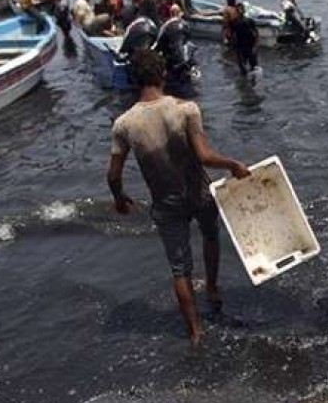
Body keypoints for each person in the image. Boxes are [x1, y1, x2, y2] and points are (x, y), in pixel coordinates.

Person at [107, 48, 251, 347]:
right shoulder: (186, 110)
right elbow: (204, 156)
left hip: (165, 202)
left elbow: (113, 174)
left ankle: (196, 333)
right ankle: (211, 288)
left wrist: (120, 198)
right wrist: (233, 164)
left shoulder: (124, 124)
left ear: (135, 79)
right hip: (198, 192)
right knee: (211, 236)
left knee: (179, 268)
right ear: (163, 75)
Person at [223, 0, 258, 76]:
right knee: (242, 65)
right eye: (239, 9)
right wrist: (227, 39)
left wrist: (255, 47)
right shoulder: (234, 22)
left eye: (242, 9)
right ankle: (243, 80)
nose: (240, 11)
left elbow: (256, 34)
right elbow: (228, 30)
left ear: (244, 11)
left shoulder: (249, 21)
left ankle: (252, 84)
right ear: (237, 11)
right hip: (239, 44)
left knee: (253, 66)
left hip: (249, 44)